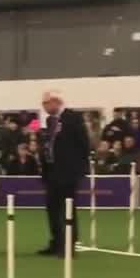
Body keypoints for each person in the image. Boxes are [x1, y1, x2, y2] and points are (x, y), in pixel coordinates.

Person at [38, 90, 90, 257]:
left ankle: (69, 245)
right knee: (52, 209)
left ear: (56, 102)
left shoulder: (72, 118)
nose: (44, 106)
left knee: (67, 210)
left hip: (68, 172)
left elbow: (83, 144)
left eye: (46, 103)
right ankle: (56, 242)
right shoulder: (49, 121)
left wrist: (79, 169)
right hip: (52, 171)